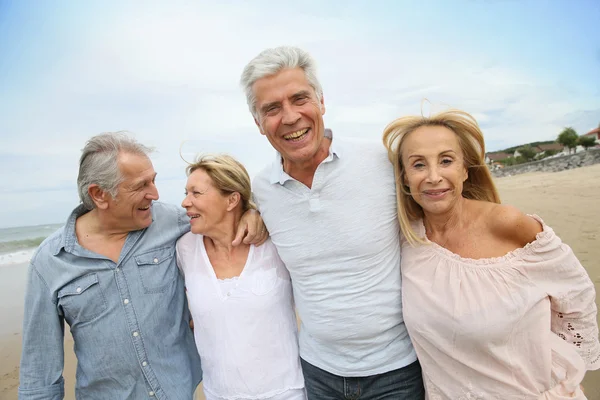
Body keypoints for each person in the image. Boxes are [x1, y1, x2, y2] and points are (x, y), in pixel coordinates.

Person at [18, 132, 267, 400]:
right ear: (99, 195)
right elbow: (39, 373)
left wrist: (252, 213)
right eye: (141, 186)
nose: (155, 194)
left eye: (154, 180)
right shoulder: (50, 261)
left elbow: (220, 214)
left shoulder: (172, 222)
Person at [239, 46, 424, 399]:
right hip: (317, 373)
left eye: (300, 99)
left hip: (397, 370)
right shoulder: (262, 190)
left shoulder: (380, 162)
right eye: (272, 109)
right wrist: (252, 210)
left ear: (321, 101)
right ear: (258, 122)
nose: (290, 117)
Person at [382, 109, 600, 399]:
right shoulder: (407, 240)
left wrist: (568, 373)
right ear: (405, 178)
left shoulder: (507, 224)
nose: (434, 176)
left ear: (465, 169)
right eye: (419, 165)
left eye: (446, 161)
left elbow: (575, 292)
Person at [176, 154, 306, 400]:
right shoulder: (184, 249)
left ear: (232, 200)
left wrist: (256, 212)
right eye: (186, 193)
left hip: (285, 393)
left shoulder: (274, 241)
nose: (185, 202)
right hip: (219, 395)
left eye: (196, 193)